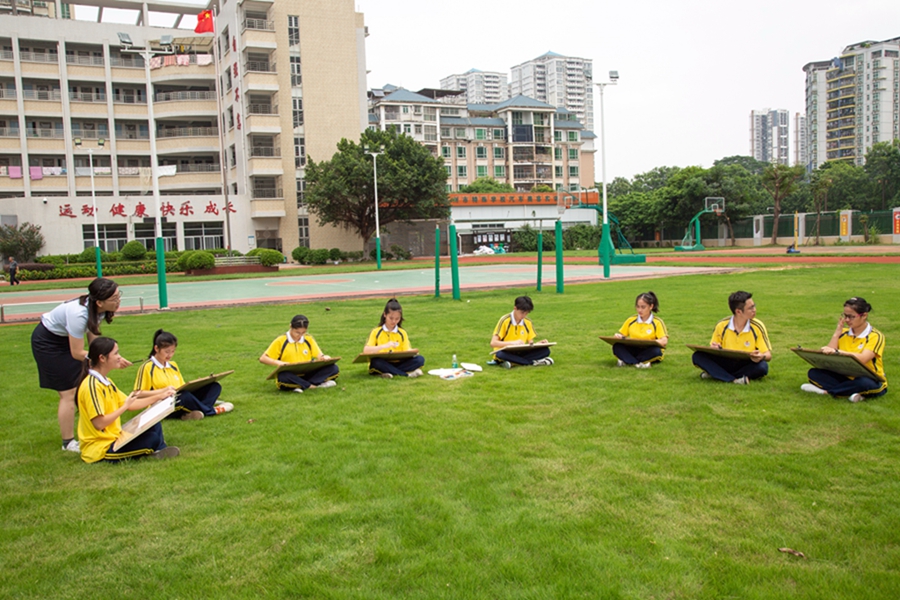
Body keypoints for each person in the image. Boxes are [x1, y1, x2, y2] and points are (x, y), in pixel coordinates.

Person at [31, 277, 127, 453]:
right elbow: (77, 353)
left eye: (118, 295)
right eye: (114, 298)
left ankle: (94, 428)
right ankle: (67, 442)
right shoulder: (79, 314)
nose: (118, 301)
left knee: (85, 384)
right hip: (48, 343)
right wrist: (108, 359)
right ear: (99, 302)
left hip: (65, 340)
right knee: (68, 392)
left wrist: (108, 357)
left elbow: (94, 345)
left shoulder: (99, 310)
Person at [77, 337, 179, 463]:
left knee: (154, 421)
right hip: (101, 448)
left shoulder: (106, 382)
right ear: (102, 358)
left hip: (115, 437)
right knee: (152, 438)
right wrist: (124, 407)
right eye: (116, 353)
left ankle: (158, 450)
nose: (119, 357)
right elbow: (99, 423)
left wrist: (160, 396)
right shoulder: (92, 386)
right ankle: (156, 450)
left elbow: (131, 404)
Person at [801, 297, 887, 403]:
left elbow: (863, 358)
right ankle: (852, 393)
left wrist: (839, 352)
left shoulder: (875, 336)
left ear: (864, 315)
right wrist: (836, 334)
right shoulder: (843, 332)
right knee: (814, 373)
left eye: (851, 317)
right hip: (844, 375)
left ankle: (827, 392)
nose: (847, 320)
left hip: (869, 378)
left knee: (863, 383)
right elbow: (828, 353)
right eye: (845, 316)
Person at [134, 329, 233, 419]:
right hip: (162, 404)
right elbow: (137, 394)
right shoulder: (147, 367)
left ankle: (193, 413)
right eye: (167, 352)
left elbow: (182, 387)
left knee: (214, 386)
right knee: (184, 396)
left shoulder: (173, 365)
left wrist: (198, 384)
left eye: (173, 351)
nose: (170, 355)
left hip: (178, 397)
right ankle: (212, 411)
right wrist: (163, 391)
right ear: (156, 348)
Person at [691, 290, 771, 384]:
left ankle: (717, 374)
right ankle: (734, 380)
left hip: (745, 363)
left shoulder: (757, 326)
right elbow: (714, 346)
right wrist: (714, 348)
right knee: (697, 356)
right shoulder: (722, 325)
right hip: (726, 361)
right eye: (750, 308)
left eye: (754, 306)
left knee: (762, 367)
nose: (754, 309)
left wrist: (761, 356)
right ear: (738, 311)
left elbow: (768, 355)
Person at [259, 314, 340, 392]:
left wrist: (324, 357)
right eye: (297, 332)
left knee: (333, 368)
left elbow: (319, 355)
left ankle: (301, 385)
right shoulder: (280, 341)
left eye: (303, 332)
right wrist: (279, 363)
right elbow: (263, 358)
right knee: (283, 376)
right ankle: (313, 385)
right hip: (291, 374)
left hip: (307, 373)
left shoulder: (308, 339)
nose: (300, 335)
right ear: (290, 326)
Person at [362, 298, 425, 378]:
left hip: (399, 362)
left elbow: (406, 350)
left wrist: (412, 351)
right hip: (383, 362)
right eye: (391, 318)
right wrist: (384, 346)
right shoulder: (376, 331)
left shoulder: (402, 333)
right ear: (385, 315)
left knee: (420, 359)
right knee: (376, 362)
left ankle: (389, 372)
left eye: (397, 319)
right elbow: (366, 350)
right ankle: (406, 375)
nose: (394, 321)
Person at [490, 295, 553, 368]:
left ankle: (515, 362)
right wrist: (512, 343)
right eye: (522, 313)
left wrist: (538, 345)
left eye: (526, 313)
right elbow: (493, 343)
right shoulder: (505, 320)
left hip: (521, 351)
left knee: (545, 350)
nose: (524, 316)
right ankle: (532, 362)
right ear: (515, 308)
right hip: (506, 351)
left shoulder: (528, 322)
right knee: (500, 354)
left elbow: (530, 343)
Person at [612, 291, 668, 368]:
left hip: (648, 350)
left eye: (643, 307)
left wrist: (654, 342)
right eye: (638, 307)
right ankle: (639, 363)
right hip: (634, 348)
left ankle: (628, 360)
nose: (640, 310)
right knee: (617, 346)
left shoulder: (657, 322)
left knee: (656, 351)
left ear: (651, 306)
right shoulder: (631, 320)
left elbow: (664, 341)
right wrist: (618, 336)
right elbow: (622, 335)